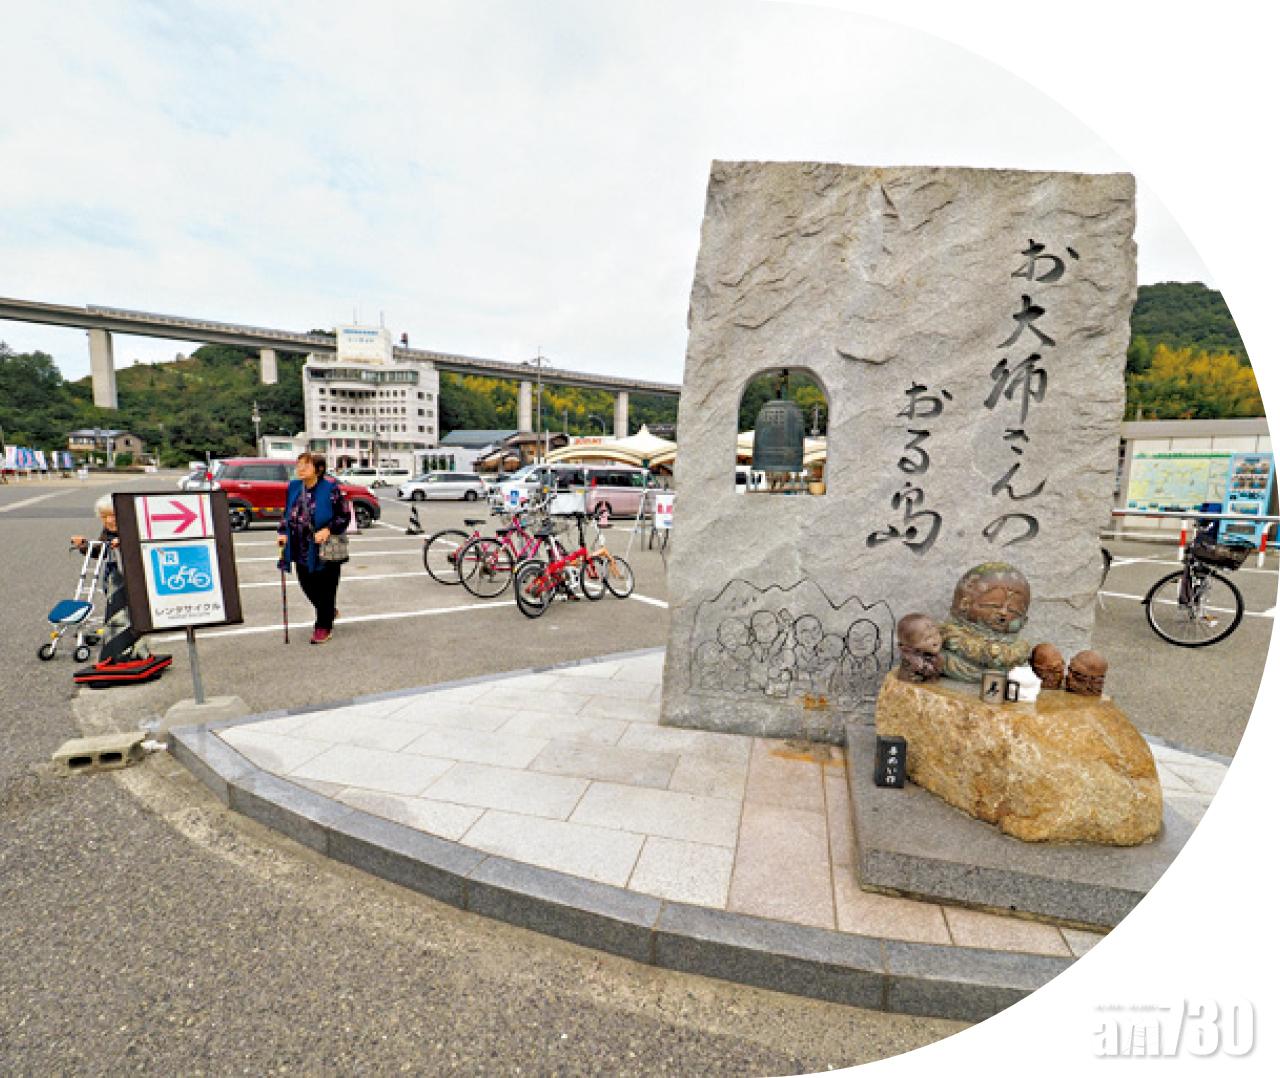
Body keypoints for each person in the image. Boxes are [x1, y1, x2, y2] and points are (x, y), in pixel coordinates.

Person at [71, 493, 155, 665]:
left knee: (133, 607)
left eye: (113, 515)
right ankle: (119, 639)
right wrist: (84, 545)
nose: (109, 520)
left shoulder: (133, 528)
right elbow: (99, 551)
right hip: (113, 576)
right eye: (104, 516)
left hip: (133, 576)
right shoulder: (107, 531)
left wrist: (124, 542)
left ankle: (136, 639)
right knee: (115, 606)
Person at [277, 451, 350, 645]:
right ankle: (328, 611)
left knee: (326, 589)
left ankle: (323, 626)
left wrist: (328, 529)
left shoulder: (331, 488)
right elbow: (287, 514)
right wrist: (282, 532)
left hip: (325, 547)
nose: (300, 468)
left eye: (306, 465)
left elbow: (344, 515)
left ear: (319, 469)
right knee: (307, 585)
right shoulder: (294, 487)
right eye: (299, 464)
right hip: (301, 547)